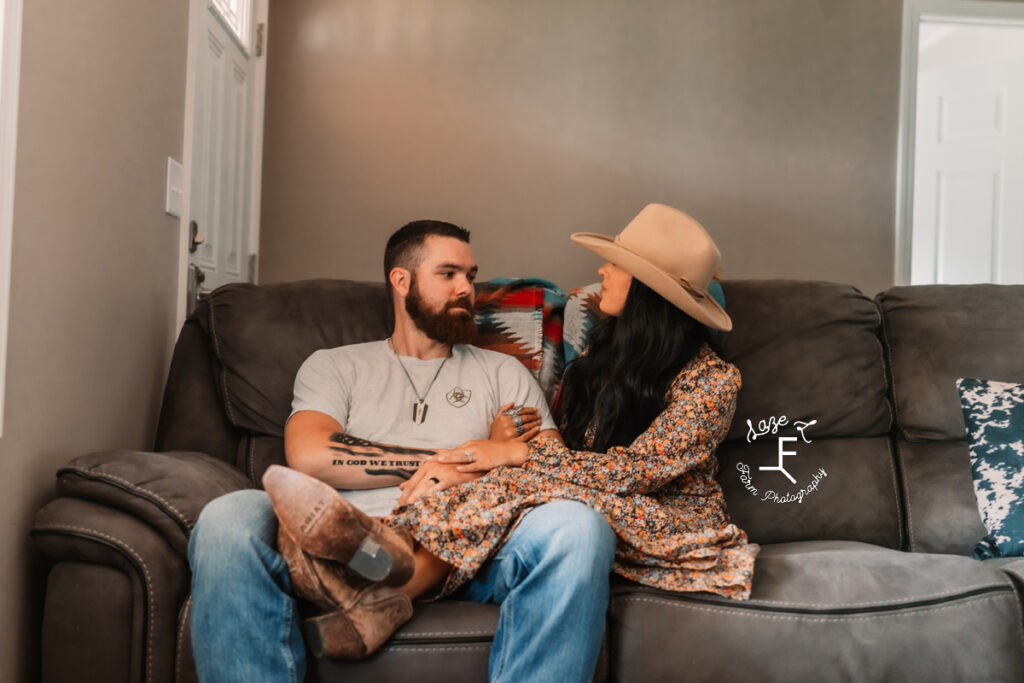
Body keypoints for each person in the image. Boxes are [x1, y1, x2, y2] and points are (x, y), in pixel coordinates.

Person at [269, 203, 759, 676]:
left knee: (511, 484)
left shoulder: (713, 382)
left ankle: (389, 589)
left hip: (665, 520)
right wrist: (492, 450)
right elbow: (563, 457)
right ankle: (382, 584)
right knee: (509, 482)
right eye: (449, 274)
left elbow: (635, 470)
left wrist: (507, 454)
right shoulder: (603, 358)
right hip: (599, 498)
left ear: (649, 289)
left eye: (617, 264)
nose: (602, 271)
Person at [188, 220, 616, 683]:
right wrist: (461, 460)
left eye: (470, 276)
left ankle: (400, 583)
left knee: (578, 525)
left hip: (475, 551)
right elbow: (311, 455)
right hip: (346, 542)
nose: (466, 289)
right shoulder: (337, 365)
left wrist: (487, 462)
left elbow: (553, 468)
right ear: (401, 280)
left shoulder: (503, 372)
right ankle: (378, 575)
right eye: (448, 274)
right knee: (227, 516)